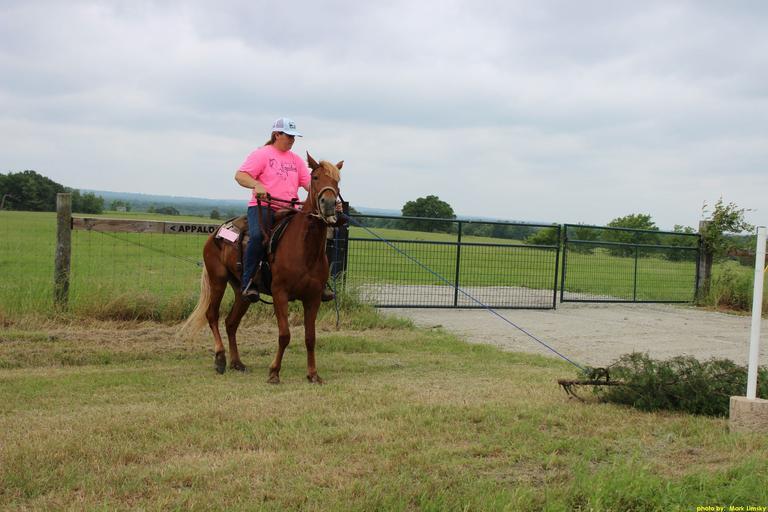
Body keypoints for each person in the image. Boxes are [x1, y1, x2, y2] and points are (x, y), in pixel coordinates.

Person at [234, 117, 335, 302]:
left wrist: (326, 196)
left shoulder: (296, 160)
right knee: (257, 237)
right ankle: (248, 282)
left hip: (291, 209)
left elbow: (310, 185)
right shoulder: (262, 154)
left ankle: (319, 282)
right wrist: (256, 184)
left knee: (316, 233)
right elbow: (240, 175)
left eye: (294, 136)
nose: (292, 139)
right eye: (288, 136)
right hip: (264, 207)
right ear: (276, 135)